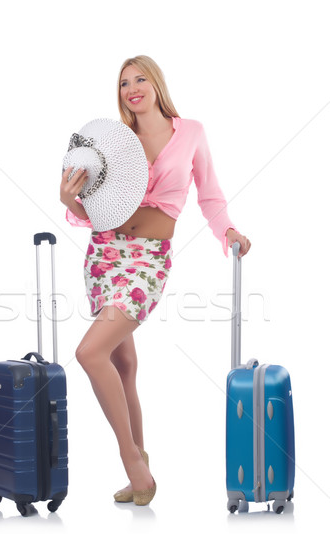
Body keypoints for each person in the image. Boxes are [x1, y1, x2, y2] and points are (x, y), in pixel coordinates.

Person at [59, 55, 251, 506]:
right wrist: (68, 198)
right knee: (121, 365)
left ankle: (132, 462)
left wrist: (228, 232)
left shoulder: (192, 133)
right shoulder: (114, 144)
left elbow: (209, 194)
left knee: (89, 352)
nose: (132, 88)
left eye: (140, 78)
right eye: (124, 83)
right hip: (104, 255)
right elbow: (91, 211)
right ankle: (139, 467)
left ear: (156, 83)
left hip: (147, 261)